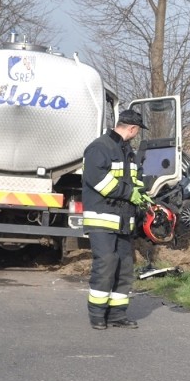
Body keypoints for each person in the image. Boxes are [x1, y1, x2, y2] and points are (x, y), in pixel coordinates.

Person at [82, 109, 152, 330]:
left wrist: (140, 190)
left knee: (124, 267)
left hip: (123, 221)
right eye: (137, 131)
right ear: (132, 129)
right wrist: (128, 193)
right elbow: (98, 181)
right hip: (102, 219)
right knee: (106, 264)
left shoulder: (127, 151)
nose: (136, 134)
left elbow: (134, 178)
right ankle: (97, 316)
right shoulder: (99, 148)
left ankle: (117, 315)